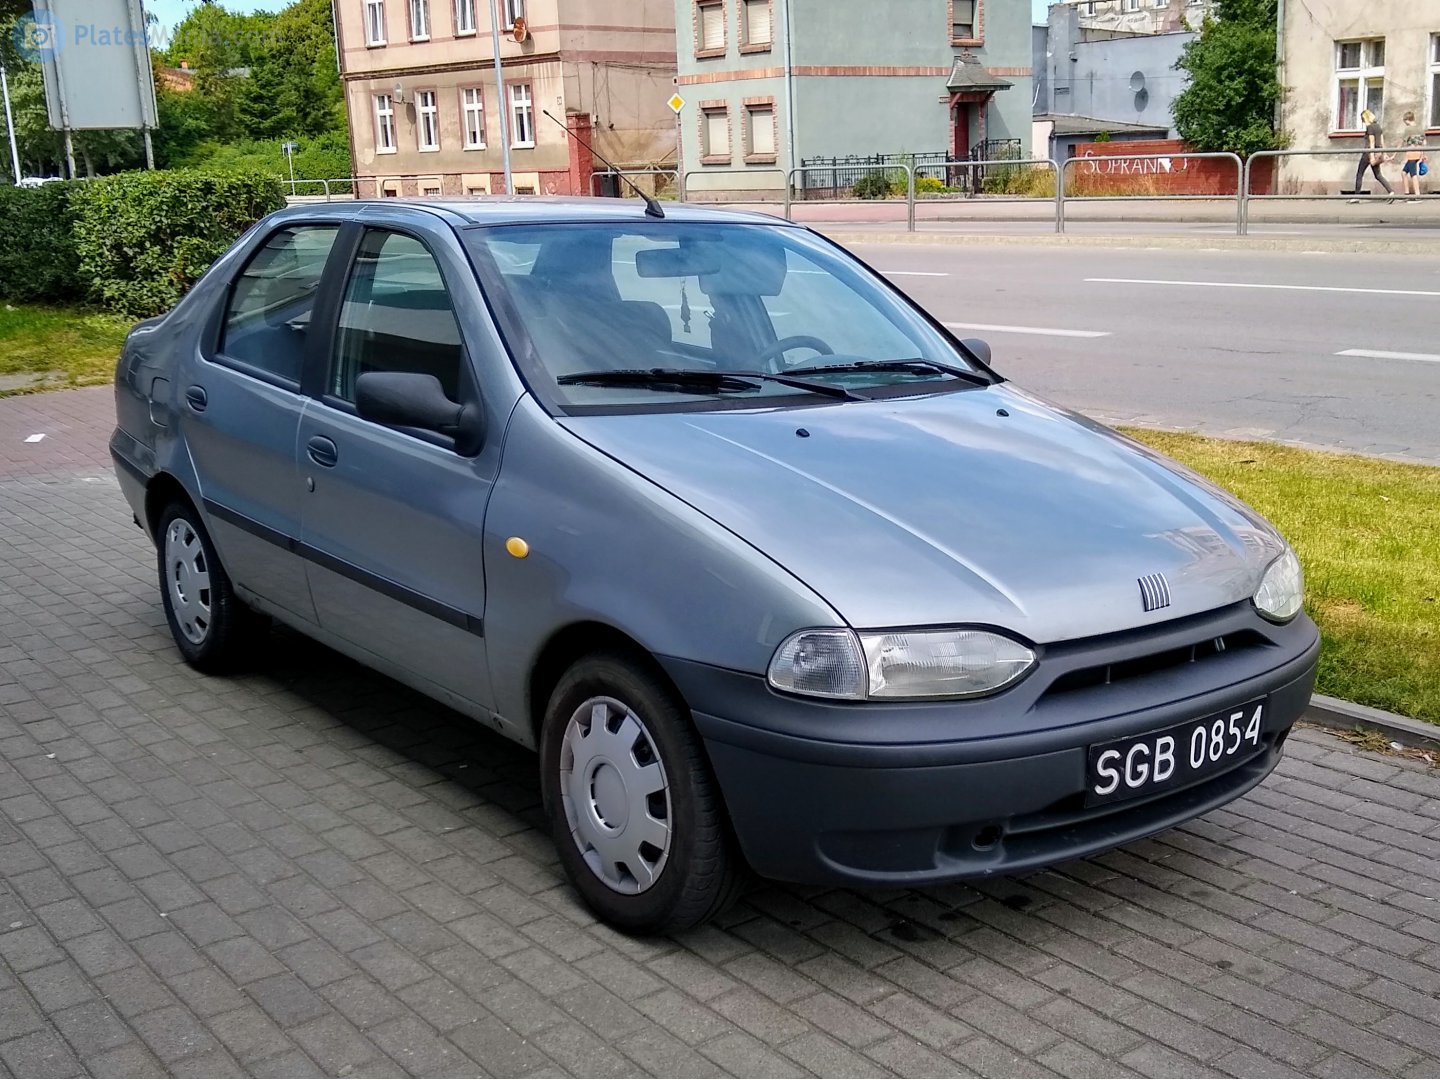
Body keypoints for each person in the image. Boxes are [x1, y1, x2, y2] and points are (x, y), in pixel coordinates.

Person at [1349, 109, 1394, 202]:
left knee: (1360, 173)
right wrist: (1384, 153)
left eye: (1362, 119)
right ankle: (1391, 192)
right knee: (1378, 175)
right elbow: (1382, 142)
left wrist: (1371, 156)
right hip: (1378, 151)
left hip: (1369, 153)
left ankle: (1356, 196)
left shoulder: (1370, 128)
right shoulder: (1378, 127)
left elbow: (1371, 142)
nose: (1362, 121)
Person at [1400, 110, 1427, 202]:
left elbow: (1402, 141)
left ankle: (1417, 195)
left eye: (1405, 121)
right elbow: (1424, 143)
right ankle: (1407, 194)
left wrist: (1394, 153)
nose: (1405, 123)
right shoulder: (1420, 129)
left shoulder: (1408, 129)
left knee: (1413, 174)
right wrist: (1423, 154)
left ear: (1407, 120)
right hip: (1418, 153)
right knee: (1403, 173)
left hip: (1411, 154)